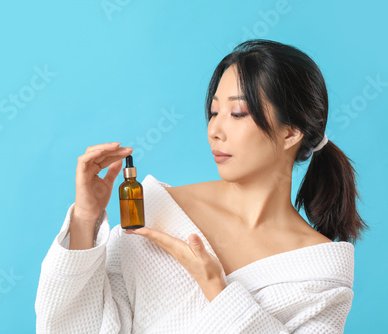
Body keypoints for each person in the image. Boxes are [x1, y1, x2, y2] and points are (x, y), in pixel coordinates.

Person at [34, 39, 368, 333]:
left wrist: (217, 290)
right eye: (213, 112)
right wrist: (84, 219)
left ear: (290, 133)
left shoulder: (322, 271)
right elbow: (78, 326)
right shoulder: (156, 211)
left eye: (237, 113)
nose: (215, 130)